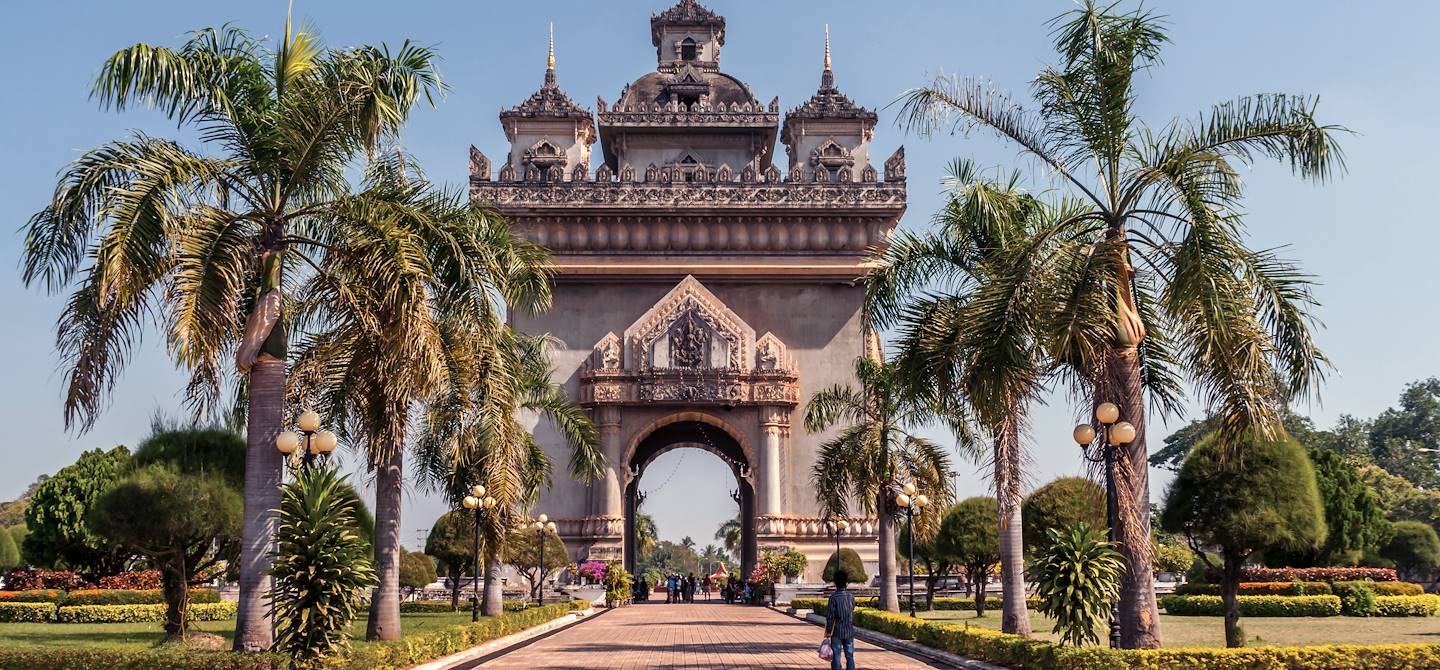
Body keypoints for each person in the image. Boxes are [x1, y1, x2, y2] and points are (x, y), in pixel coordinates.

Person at [824, 570, 856, 670]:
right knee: (850, 656)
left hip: (837, 630)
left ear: (835, 583)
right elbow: (852, 609)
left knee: (836, 656)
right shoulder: (851, 596)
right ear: (846, 582)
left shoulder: (833, 597)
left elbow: (830, 616)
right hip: (849, 630)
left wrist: (828, 631)